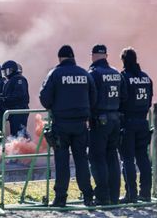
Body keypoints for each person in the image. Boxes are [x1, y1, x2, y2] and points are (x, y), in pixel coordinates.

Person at [40, 45, 96, 207]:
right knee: (82, 161)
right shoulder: (84, 73)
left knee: (62, 162)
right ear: (73, 57)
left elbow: (45, 98)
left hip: (62, 125)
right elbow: (94, 98)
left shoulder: (55, 74)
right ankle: (88, 196)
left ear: (60, 58)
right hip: (80, 125)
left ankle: (60, 198)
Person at [88, 44, 127, 205]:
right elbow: (124, 97)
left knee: (97, 158)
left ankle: (102, 196)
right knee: (112, 157)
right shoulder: (117, 73)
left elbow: (90, 98)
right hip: (115, 120)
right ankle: (114, 195)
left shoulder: (94, 74)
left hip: (99, 121)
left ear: (93, 55)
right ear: (106, 55)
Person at [119, 47, 153, 203]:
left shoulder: (123, 78)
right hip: (143, 123)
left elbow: (121, 100)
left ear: (124, 60)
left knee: (127, 159)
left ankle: (131, 194)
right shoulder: (146, 78)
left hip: (128, 123)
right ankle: (145, 193)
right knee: (143, 159)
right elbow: (149, 100)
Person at [0, 60, 29, 137]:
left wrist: (6, 99)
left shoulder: (19, 79)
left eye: (6, 71)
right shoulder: (11, 80)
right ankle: (21, 148)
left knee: (20, 133)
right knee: (15, 133)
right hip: (14, 110)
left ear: (11, 70)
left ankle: (26, 148)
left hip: (19, 110)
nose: (5, 73)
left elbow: (19, 95)